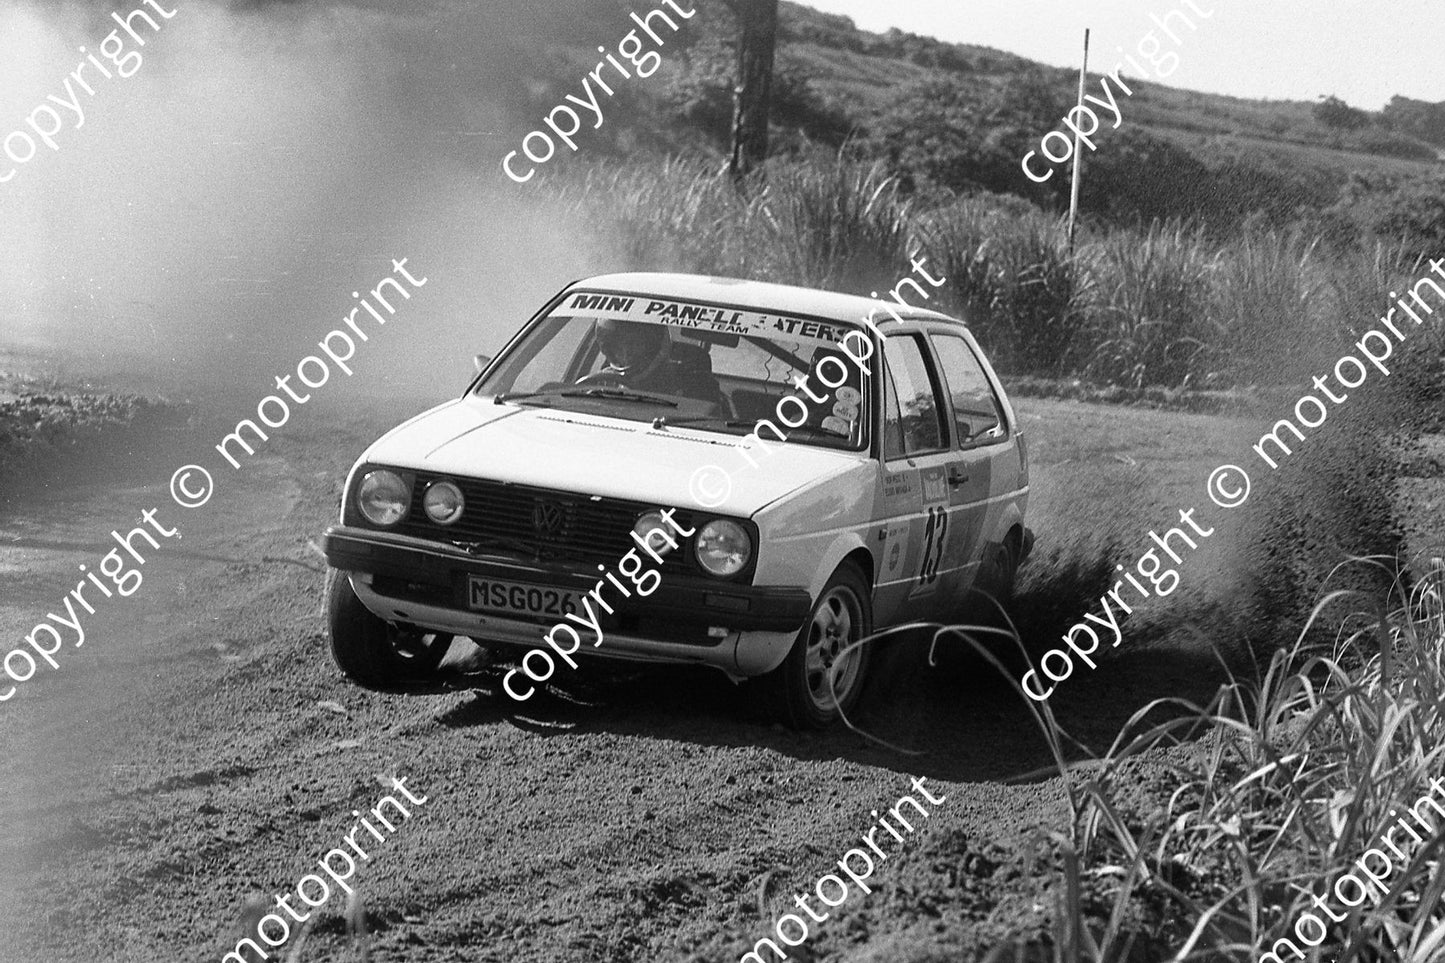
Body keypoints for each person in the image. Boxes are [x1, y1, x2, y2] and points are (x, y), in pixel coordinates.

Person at [585, 318, 725, 409]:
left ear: (652, 346)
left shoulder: (691, 384)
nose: (626, 352)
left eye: (634, 344)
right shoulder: (602, 382)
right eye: (618, 346)